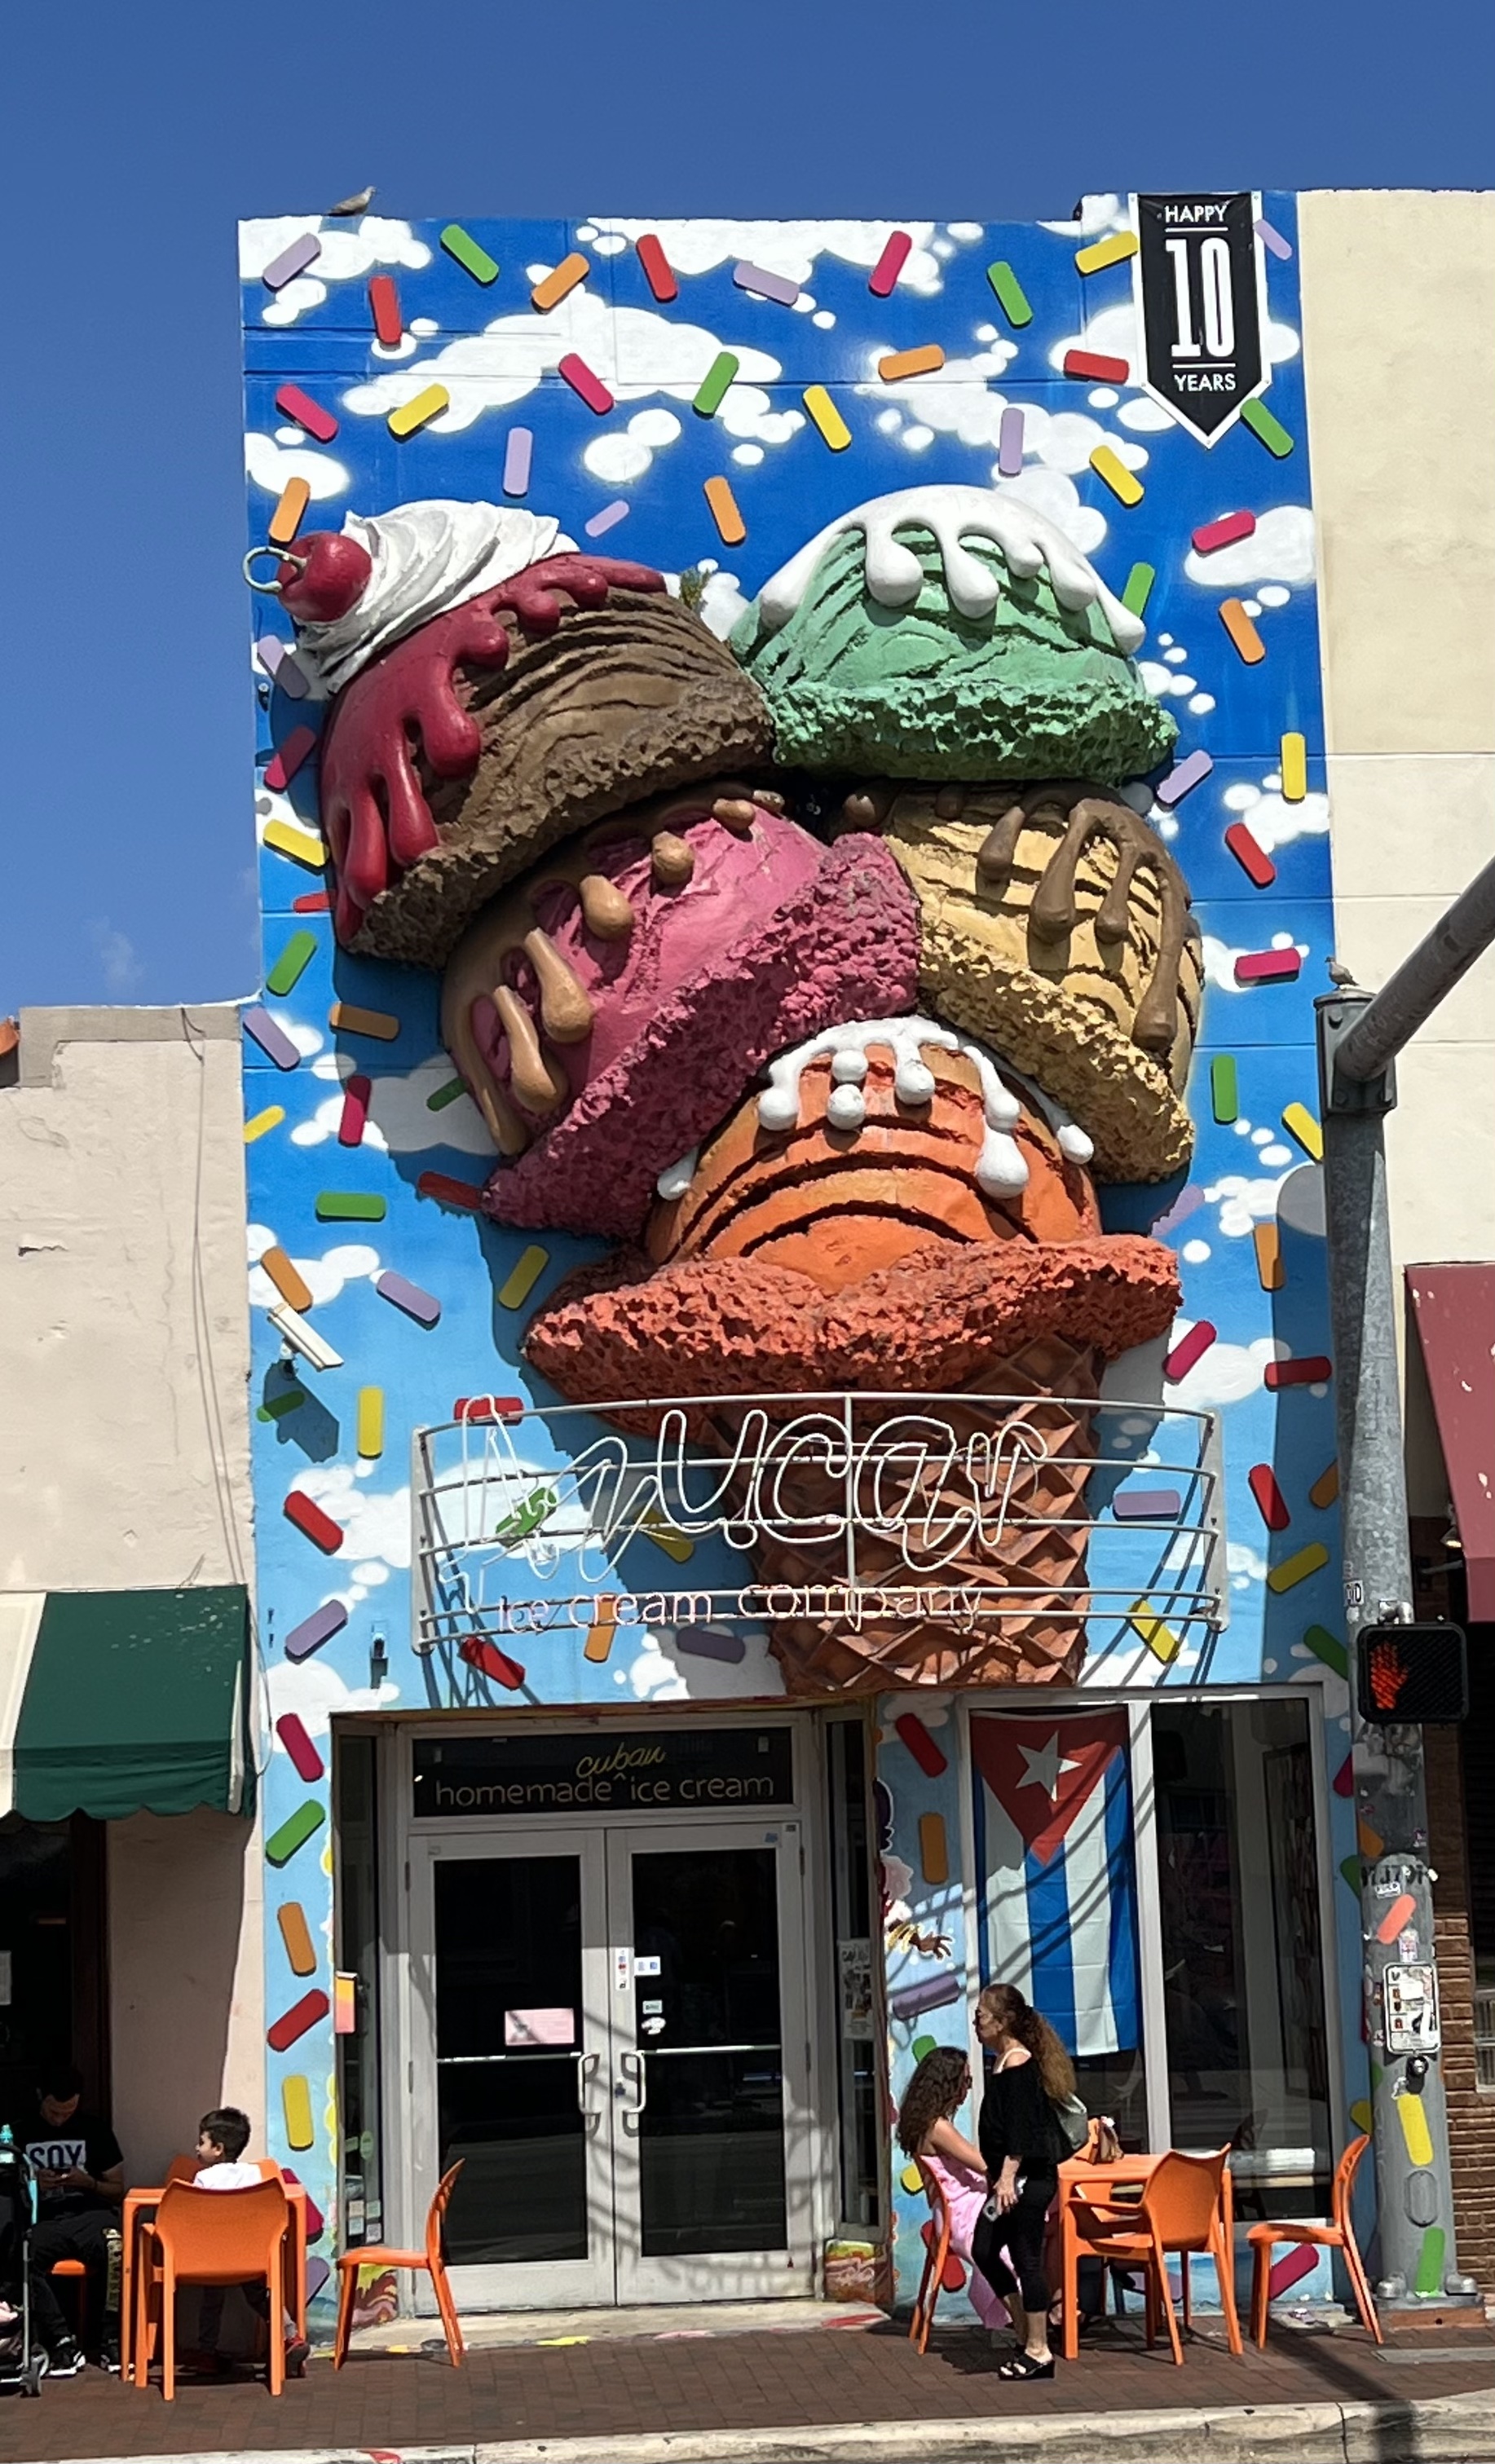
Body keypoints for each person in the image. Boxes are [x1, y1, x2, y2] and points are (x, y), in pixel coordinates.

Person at [972, 1982, 1074, 2381]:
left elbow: (1021, 2130)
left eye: (981, 2015)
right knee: (984, 2248)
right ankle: (1023, 2327)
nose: (977, 2022)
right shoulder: (1003, 2061)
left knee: (1026, 2257)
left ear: (1002, 2022)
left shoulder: (1018, 2064)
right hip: (1008, 2180)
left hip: (1026, 2180)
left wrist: (1007, 2178)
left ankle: (1039, 2350)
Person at [11, 2062, 124, 2374]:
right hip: (44, 2218)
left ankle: (111, 2339)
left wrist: (88, 2183)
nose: (61, 2119)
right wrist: (32, 2182)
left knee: (116, 2249)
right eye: (54, 2112)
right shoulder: (19, 2132)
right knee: (21, 2255)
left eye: (68, 2111)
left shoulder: (95, 2130)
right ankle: (61, 2341)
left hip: (90, 2214)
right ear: (40, 2097)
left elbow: (117, 2189)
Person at [895, 2047, 1007, 2332]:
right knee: (1031, 2235)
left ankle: (1033, 2317)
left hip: (951, 2215)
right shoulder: (938, 2128)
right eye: (966, 2081)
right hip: (965, 2216)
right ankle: (1040, 2317)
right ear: (948, 2084)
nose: (968, 2088)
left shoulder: (924, 2124)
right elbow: (984, 2165)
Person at [192, 2109, 308, 2377]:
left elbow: (195, 2216)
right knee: (262, 2297)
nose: (197, 2148)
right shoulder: (255, 2174)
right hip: (252, 2256)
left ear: (218, 2148)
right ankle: (290, 2335)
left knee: (211, 2301)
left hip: (212, 2259)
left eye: (201, 2142)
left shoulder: (203, 2178)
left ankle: (206, 2353)